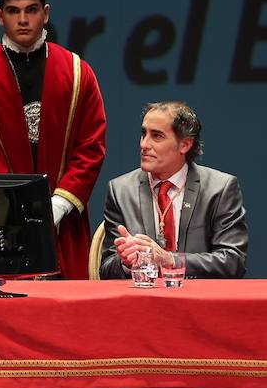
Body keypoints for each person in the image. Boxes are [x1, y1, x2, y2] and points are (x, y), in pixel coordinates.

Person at [0, 0, 107, 279]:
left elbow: (91, 146)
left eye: (31, 10)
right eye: (13, 11)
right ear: (0, 16)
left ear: (46, 13)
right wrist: (21, 206)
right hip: (2, 220)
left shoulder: (78, 73)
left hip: (64, 220)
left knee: (69, 306)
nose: (23, 20)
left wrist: (59, 204)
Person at [100, 102, 248, 279]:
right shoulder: (120, 191)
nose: (144, 144)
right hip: (143, 295)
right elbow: (106, 269)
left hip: (199, 295)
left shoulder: (220, 189)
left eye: (157, 136)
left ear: (184, 144)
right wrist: (125, 262)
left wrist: (170, 260)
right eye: (143, 134)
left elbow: (233, 261)